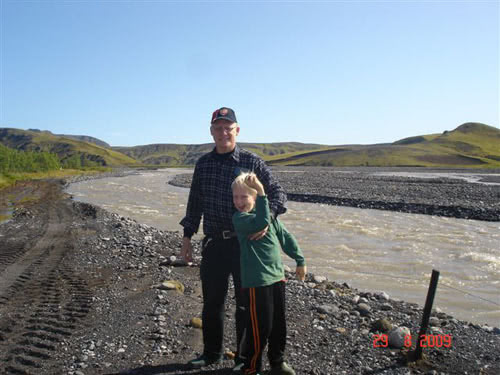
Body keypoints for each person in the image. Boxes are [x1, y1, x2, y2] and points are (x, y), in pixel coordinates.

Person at [180, 107, 287, 370]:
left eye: (228, 127)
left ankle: (243, 359)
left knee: (245, 306)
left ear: (237, 130)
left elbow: (278, 194)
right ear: (211, 132)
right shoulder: (203, 164)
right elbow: (195, 203)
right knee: (212, 303)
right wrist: (186, 237)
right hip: (215, 243)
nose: (223, 132)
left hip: (247, 247)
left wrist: (267, 219)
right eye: (218, 128)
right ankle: (211, 353)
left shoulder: (253, 162)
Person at [231, 172, 306, 375]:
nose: (239, 202)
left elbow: (285, 237)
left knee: (278, 325)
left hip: (277, 277)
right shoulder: (240, 219)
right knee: (259, 328)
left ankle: (277, 362)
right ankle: (251, 367)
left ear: (254, 198)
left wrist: (300, 260)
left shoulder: (269, 217)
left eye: (244, 197)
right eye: (235, 197)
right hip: (257, 282)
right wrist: (263, 192)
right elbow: (260, 222)